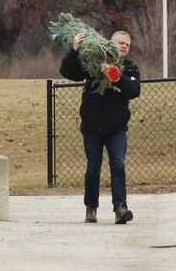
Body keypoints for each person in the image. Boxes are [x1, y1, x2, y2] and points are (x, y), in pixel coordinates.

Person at [59, 30, 141, 224]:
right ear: (111, 44)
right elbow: (68, 72)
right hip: (92, 127)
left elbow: (133, 91)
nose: (124, 46)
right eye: (121, 43)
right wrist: (74, 50)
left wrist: (115, 75)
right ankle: (91, 208)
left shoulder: (130, 68)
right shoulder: (94, 64)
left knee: (118, 166)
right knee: (93, 169)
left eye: (127, 45)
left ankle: (120, 208)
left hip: (116, 129)